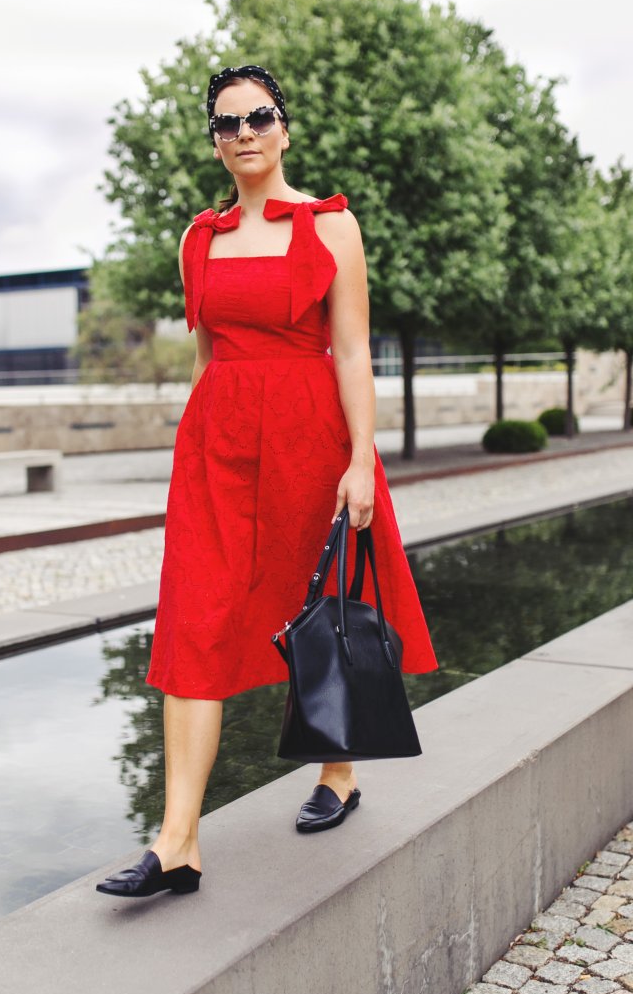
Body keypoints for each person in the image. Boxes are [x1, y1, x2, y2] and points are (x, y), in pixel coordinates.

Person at [96, 64, 438, 899]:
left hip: (308, 438)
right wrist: (205, 440)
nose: (243, 132)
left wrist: (361, 458)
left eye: (258, 117)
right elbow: (209, 356)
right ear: (214, 142)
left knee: (317, 602)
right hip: (217, 447)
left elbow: (353, 350)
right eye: (226, 123)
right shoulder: (196, 240)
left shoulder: (331, 228)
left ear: (284, 128)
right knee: (194, 622)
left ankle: (339, 773)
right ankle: (177, 840)